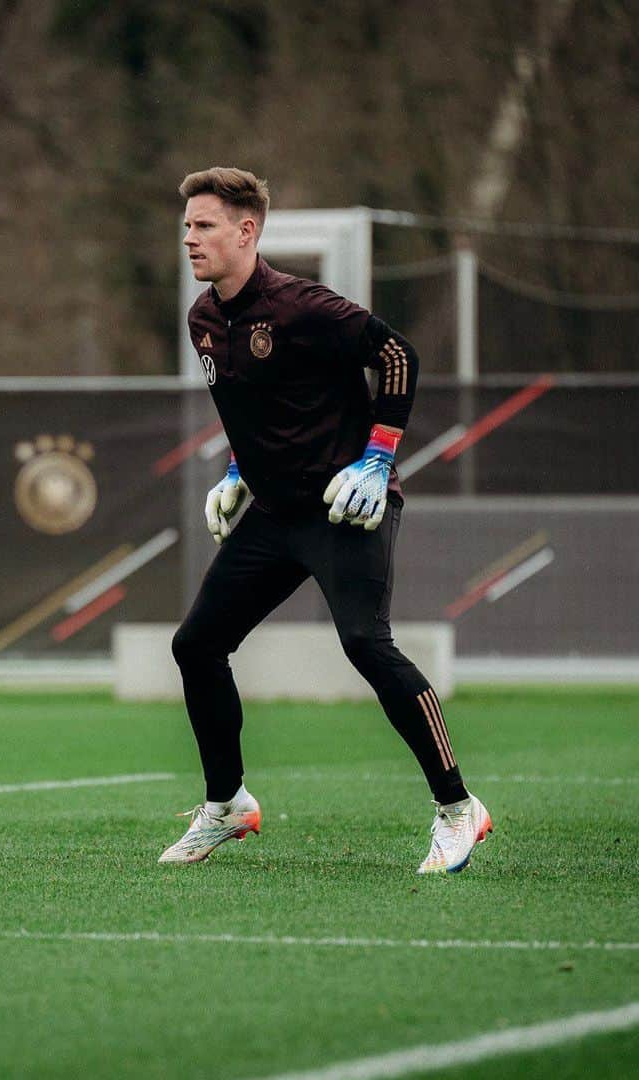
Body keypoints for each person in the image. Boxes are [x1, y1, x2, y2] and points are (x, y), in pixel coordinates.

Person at [160, 166, 492, 874]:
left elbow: (398, 356)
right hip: (276, 513)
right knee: (197, 644)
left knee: (367, 644)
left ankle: (459, 809)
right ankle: (227, 805)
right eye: (186, 226)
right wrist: (237, 473)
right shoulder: (203, 320)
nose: (188, 238)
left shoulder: (303, 306)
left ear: (246, 231)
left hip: (346, 507)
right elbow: (263, 410)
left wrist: (378, 457)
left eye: (204, 225)